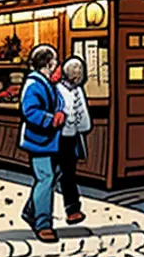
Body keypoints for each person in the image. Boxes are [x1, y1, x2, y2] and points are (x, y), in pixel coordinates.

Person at [19, 44, 65, 242]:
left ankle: (31, 211)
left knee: (51, 176)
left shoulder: (46, 83)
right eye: (55, 63)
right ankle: (43, 224)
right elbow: (29, 111)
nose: (57, 67)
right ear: (48, 64)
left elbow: (57, 101)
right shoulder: (34, 85)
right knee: (46, 178)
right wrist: (50, 119)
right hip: (38, 140)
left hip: (48, 139)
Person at [56, 56, 91, 225]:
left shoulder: (76, 90)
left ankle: (72, 209)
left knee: (68, 172)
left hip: (71, 138)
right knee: (62, 173)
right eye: (75, 72)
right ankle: (71, 208)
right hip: (59, 137)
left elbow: (83, 117)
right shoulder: (59, 90)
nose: (77, 75)